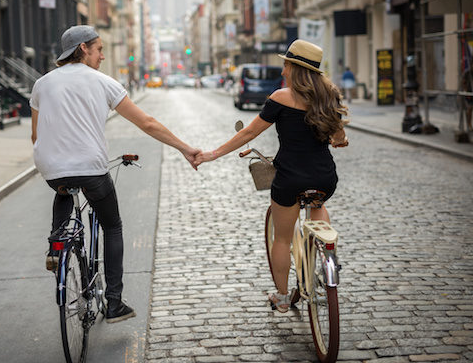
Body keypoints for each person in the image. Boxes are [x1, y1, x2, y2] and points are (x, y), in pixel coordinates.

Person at [30, 25, 200, 323]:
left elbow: (35, 135)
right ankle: (114, 302)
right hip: (91, 169)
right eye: (99, 49)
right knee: (113, 225)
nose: (103, 56)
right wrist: (184, 148)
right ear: (83, 49)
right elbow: (146, 123)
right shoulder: (102, 82)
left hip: (51, 169)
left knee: (64, 190)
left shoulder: (41, 84)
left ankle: (56, 244)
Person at [194, 39, 349, 312]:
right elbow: (339, 137)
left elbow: (249, 133)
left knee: (282, 239)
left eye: (285, 65)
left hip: (290, 179)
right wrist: (339, 139)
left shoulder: (280, 98)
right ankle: (327, 253)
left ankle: (281, 296)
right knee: (318, 204)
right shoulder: (329, 96)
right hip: (325, 177)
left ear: (293, 67)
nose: (282, 71)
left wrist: (212, 154)